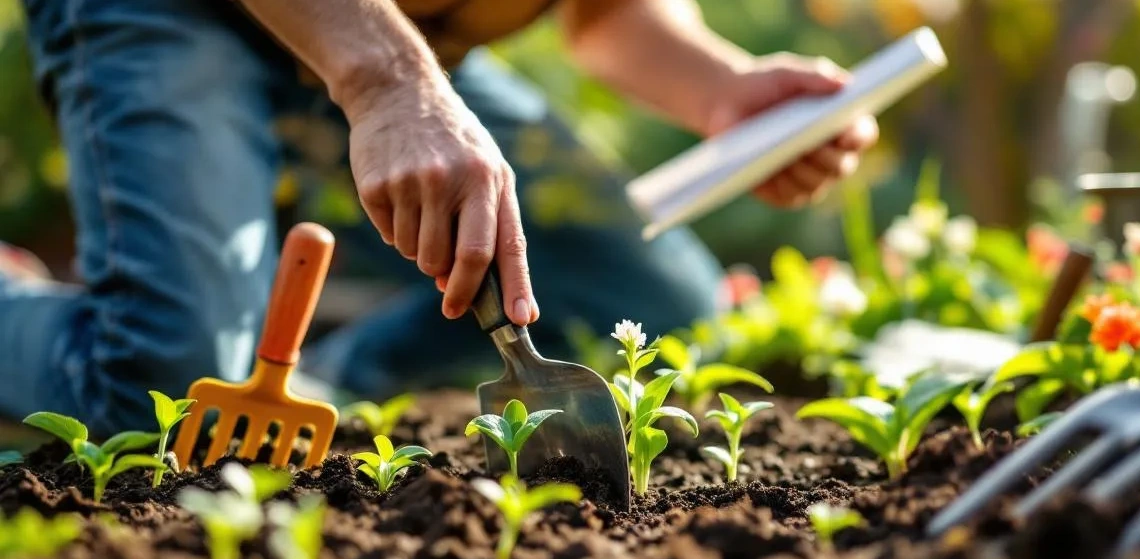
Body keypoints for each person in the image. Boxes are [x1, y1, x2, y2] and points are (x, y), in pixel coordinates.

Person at [1, 0, 878, 439]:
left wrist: (721, 86)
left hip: (402, 42)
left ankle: (330, 383)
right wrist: (388, 87)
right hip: (176, 13)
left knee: (645, 298)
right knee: (163, 393)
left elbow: (605, 12)